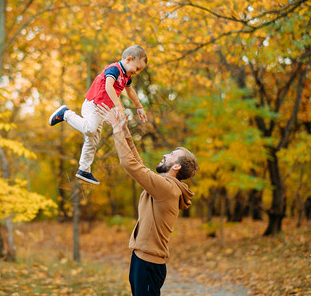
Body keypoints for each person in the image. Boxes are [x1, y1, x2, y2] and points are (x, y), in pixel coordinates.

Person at [97, 103, 199, 296]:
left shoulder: (167, 189)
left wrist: (116, 129)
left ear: (176, 167)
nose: (164, 155)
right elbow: (136, 161)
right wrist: (124, 129)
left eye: (171, 155)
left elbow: (129, 163)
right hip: (141, 259)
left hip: (149, 263)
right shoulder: (164, 184)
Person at [48, 45, 148, 185]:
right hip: (93, 104)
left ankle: (84, 169)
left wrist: (139, 107)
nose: (136, 72)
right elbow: (108, 86)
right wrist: (118, 106)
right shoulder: (114, 69)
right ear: (129, 59)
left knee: (93, 140)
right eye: (137, 68)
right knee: (90, 130)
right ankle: (66, 114)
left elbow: (130, 91)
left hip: (102, 110)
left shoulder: (127, 76)